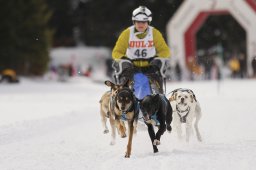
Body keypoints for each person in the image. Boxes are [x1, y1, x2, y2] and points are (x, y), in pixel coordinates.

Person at [112, 6, 170, 93]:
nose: (141, 24)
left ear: (148, 22)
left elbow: (165, 51)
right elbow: (116, 52)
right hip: (131, 67)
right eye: (138, 22)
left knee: (156, 81)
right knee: (125, 83)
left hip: (150, 67)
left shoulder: (154, 33)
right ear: (134, 22)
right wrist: (124, 59)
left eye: (144, 22)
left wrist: (156, 58)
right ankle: (124, 95)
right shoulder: (127, 33)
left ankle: (158, 97)